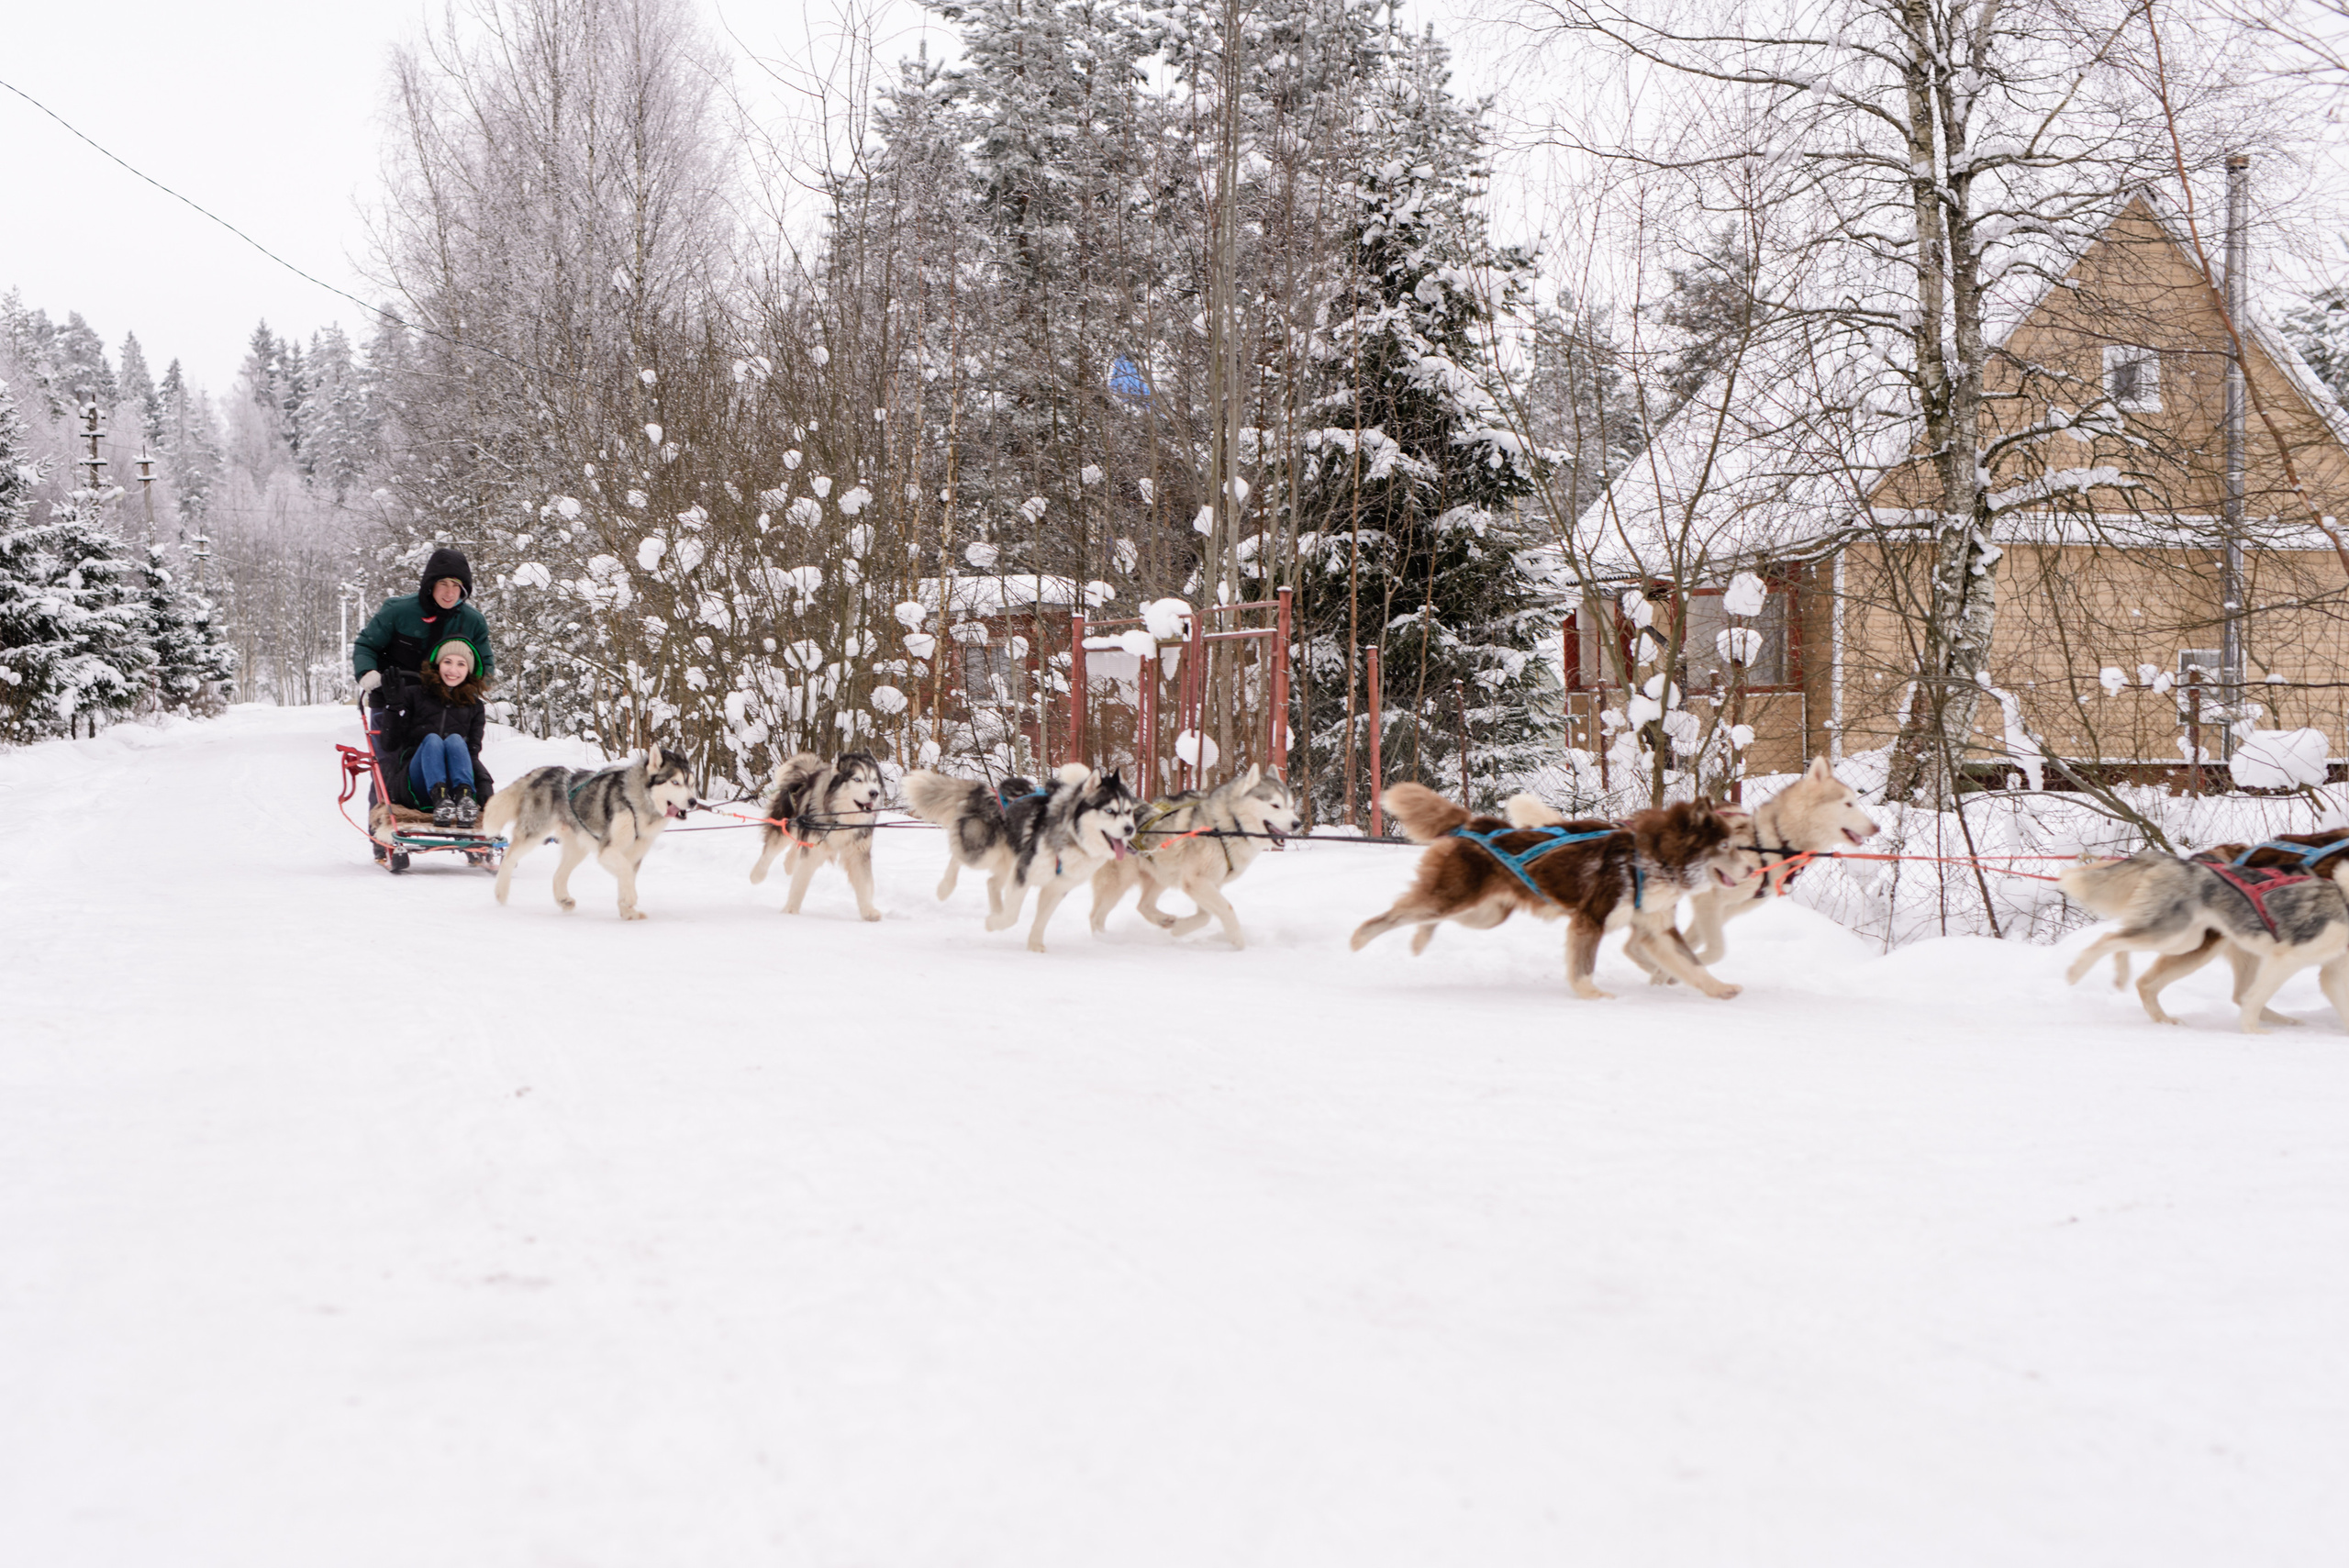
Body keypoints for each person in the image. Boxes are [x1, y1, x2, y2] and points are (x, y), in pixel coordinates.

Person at [352, 546, 495, 705]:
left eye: (456, 585)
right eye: (443, 584)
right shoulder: (398, 611)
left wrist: (468, 691)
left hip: (444, 704)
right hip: (392, 699)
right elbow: (366, 645)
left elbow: (485, 665)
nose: (450, 593)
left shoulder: (473, 621)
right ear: (431, 584)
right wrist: (367, 672)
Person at [384, 638, 492, 827]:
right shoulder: (414, 695)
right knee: (433, 740)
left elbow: (472, 755)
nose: (453, 670)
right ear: (437, 664)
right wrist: (393, 707)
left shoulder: (475, 707)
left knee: (456, 741)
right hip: (415, 783)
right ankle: (440, 798)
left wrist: (484, 783)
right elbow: (390, 744)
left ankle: (464, 798)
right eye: (447, 662)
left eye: (461, 664)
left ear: (469, 670)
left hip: (455, 784)